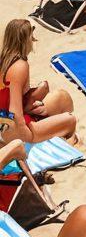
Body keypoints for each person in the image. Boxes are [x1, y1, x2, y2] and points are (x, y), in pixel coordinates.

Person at [0, 18, 77, 146]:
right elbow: (14, 111)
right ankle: (66, 140)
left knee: (63, 98)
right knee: (70, 120)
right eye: (31, 37)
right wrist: (25, 132)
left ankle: (53, 129)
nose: (33, 40)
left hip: (5, 121)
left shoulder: (4, 60)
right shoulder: (20, 66)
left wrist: (30, 107)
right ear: (24, 40)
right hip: (10, 128)